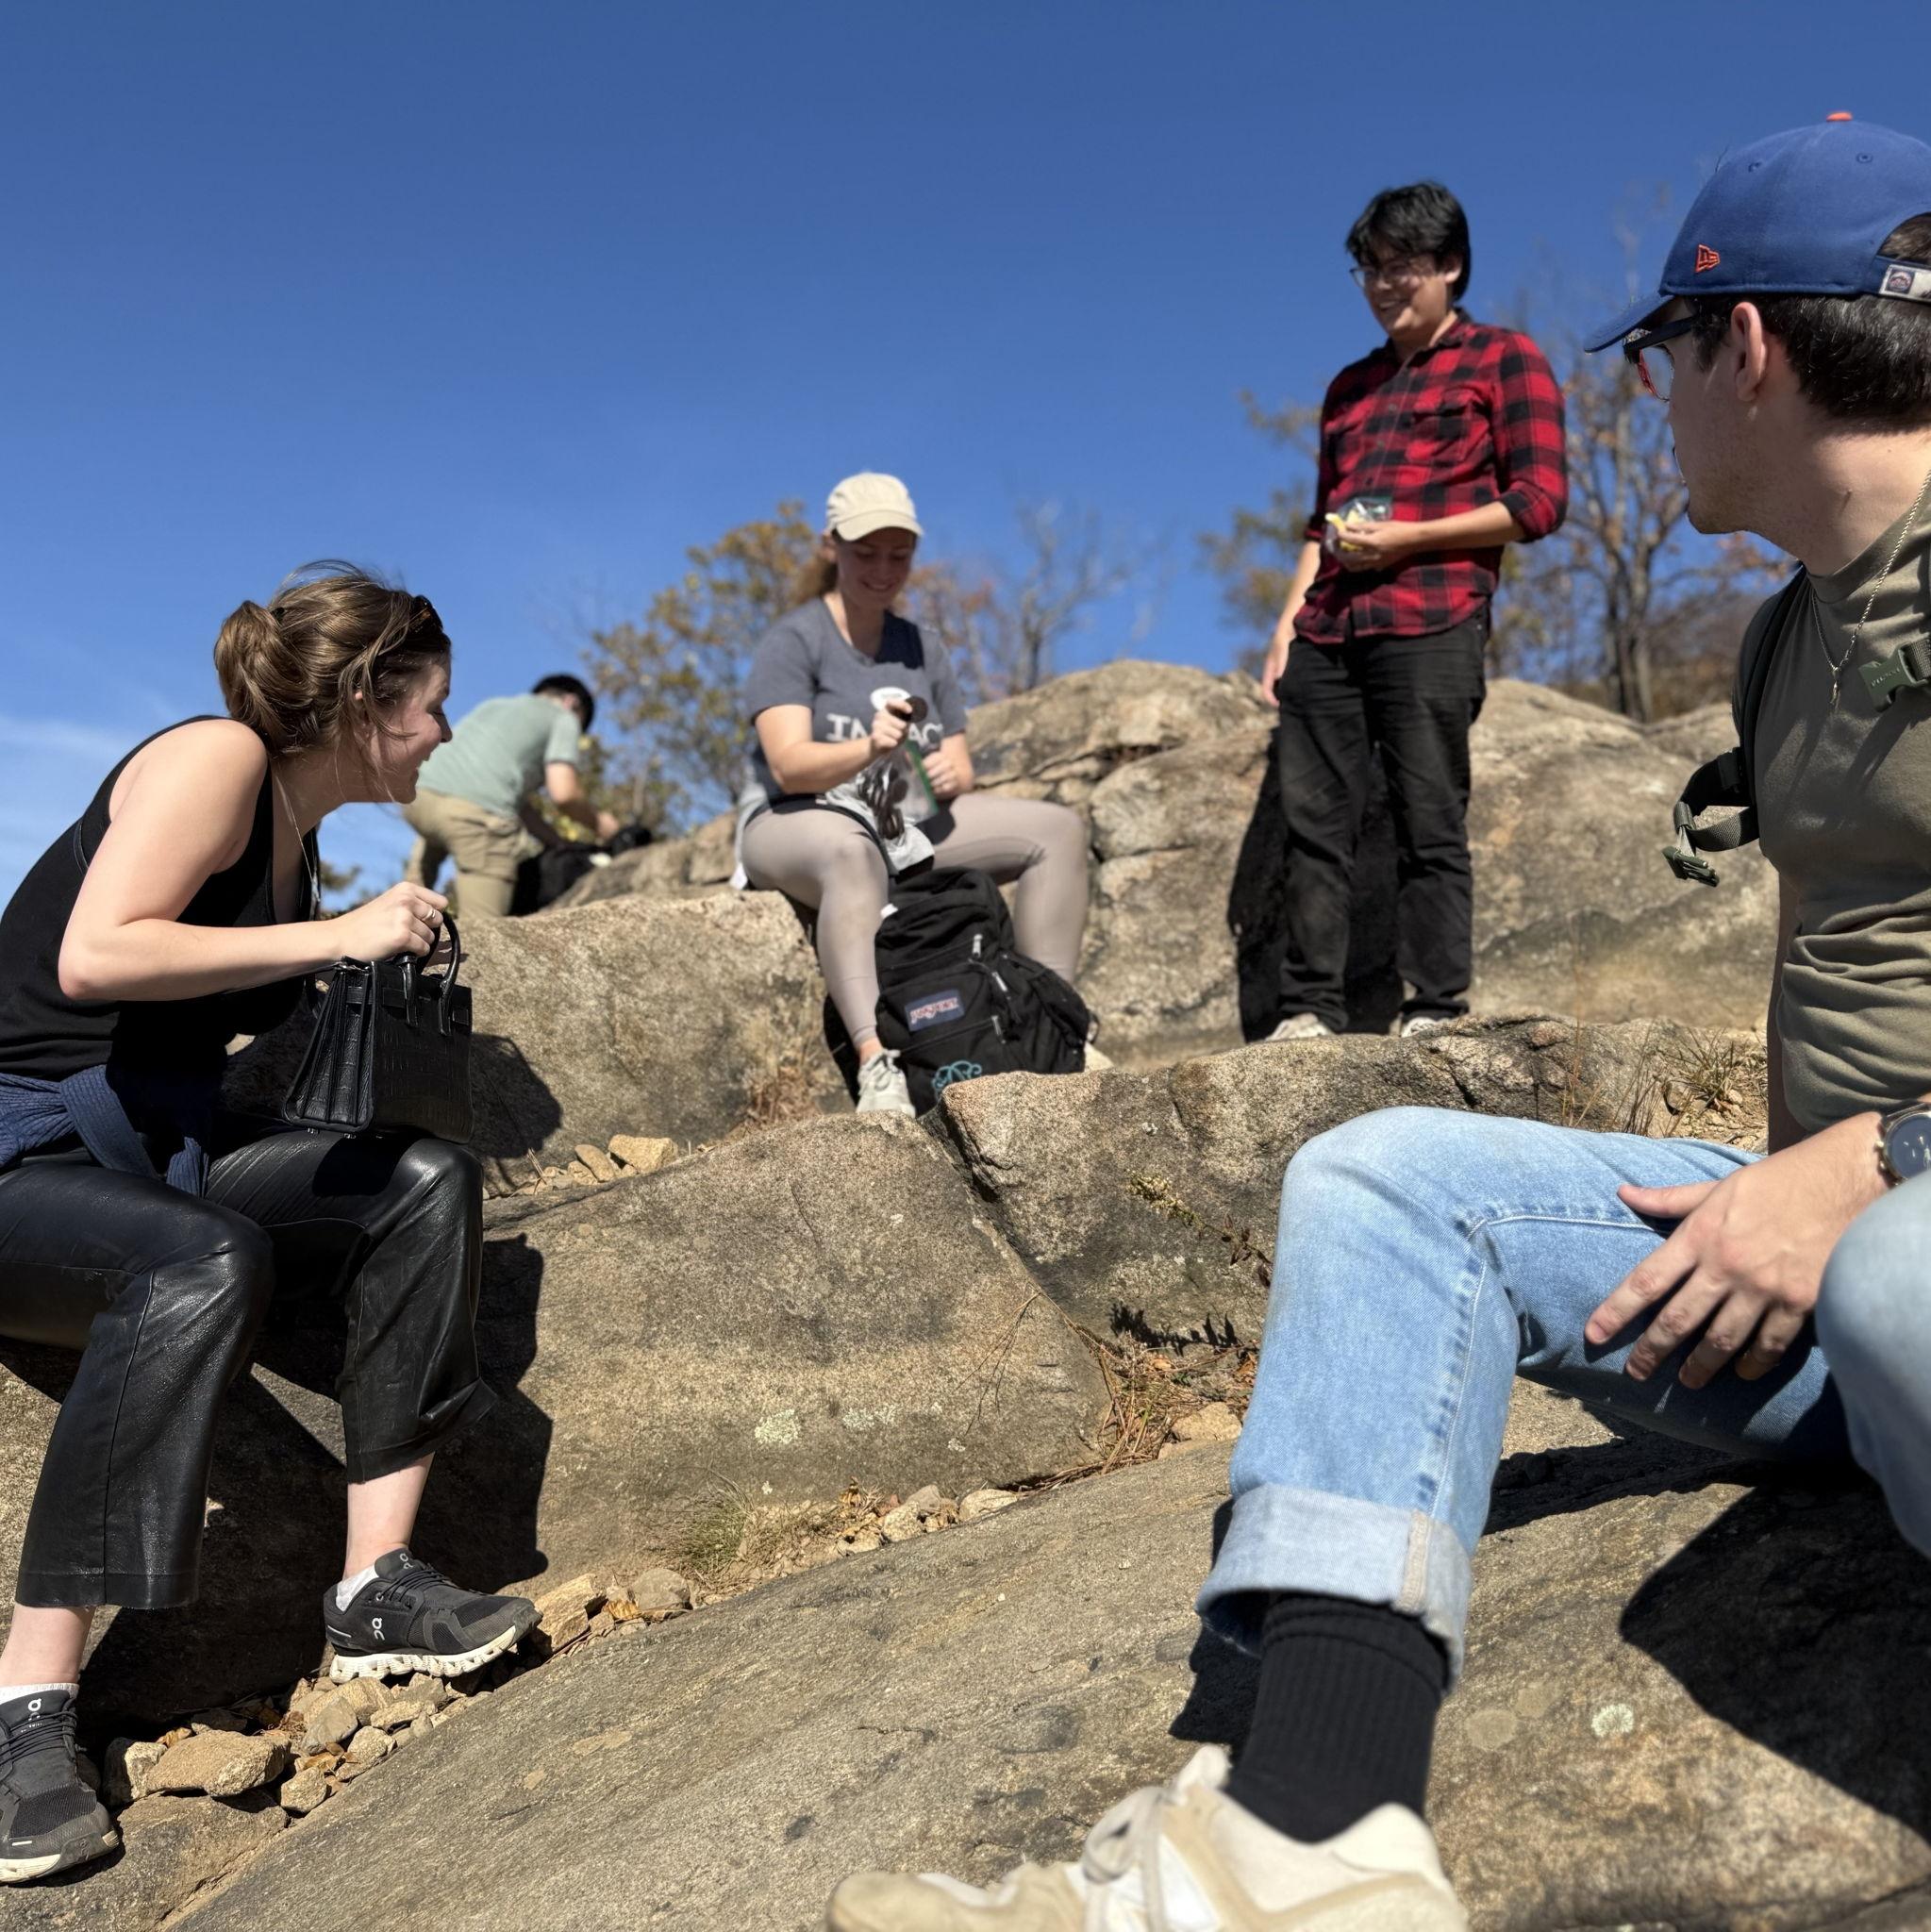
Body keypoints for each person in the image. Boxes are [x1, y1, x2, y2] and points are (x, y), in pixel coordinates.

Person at [825, 118, 1931, 1932]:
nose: (1649, 396)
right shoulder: (1782, 634)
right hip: (1814, 1269)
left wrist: (1882, 1163)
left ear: (1742, 344)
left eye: (1658, 354)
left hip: (1883, 1236)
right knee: (1386, 1180)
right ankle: (1307, 1841)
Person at [0, 565, 537, 1886]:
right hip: (19, 1157)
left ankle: (374, 1588)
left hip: (149, 1153)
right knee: (203, 1257)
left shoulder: (297, 842)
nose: (446, 735)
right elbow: (96, 955)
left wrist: (353, 966)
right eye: (432, 705)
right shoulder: (213, 758)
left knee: (420, 1179)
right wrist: (329, 940)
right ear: (367, 700)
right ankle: (28, 1709)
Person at [1258, 182, 1568, 1044]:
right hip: (1328, 627)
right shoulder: (1348, 388)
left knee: (1427, 817)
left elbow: (1540, 502)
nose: (1385, 284)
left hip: (1432, 617)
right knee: (1311, 825)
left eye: (1405, 267)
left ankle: (1434, 1006)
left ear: (1450, 267)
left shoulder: (1505, 358)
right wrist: (1282, 634)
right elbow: (1320, 526)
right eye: (1371, 268)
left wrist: (1409, 537)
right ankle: (1307, 1011)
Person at [738, 473, 1091, 1117]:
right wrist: (867, 750)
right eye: (865, 551)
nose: (882, 568)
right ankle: (878, 1067)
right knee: (852, 856)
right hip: (794, 822)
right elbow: (788, 767)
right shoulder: (794, 639)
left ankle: (1052, 1029)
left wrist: (953, 776)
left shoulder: (921, 645)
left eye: (897, 553)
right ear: (830, 547)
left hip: (901, 826)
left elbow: (955, 762)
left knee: (1058, 831)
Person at [402, 672, 619, 919]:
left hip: (419, 798)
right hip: (473, 817)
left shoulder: (496, 705)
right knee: (486, 935)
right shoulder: (564, 717)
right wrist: (604, 825)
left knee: (414, 899)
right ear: (572, 702)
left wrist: (555, 840)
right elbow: (564, 794)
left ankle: (401, 921)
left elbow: (517, 804)